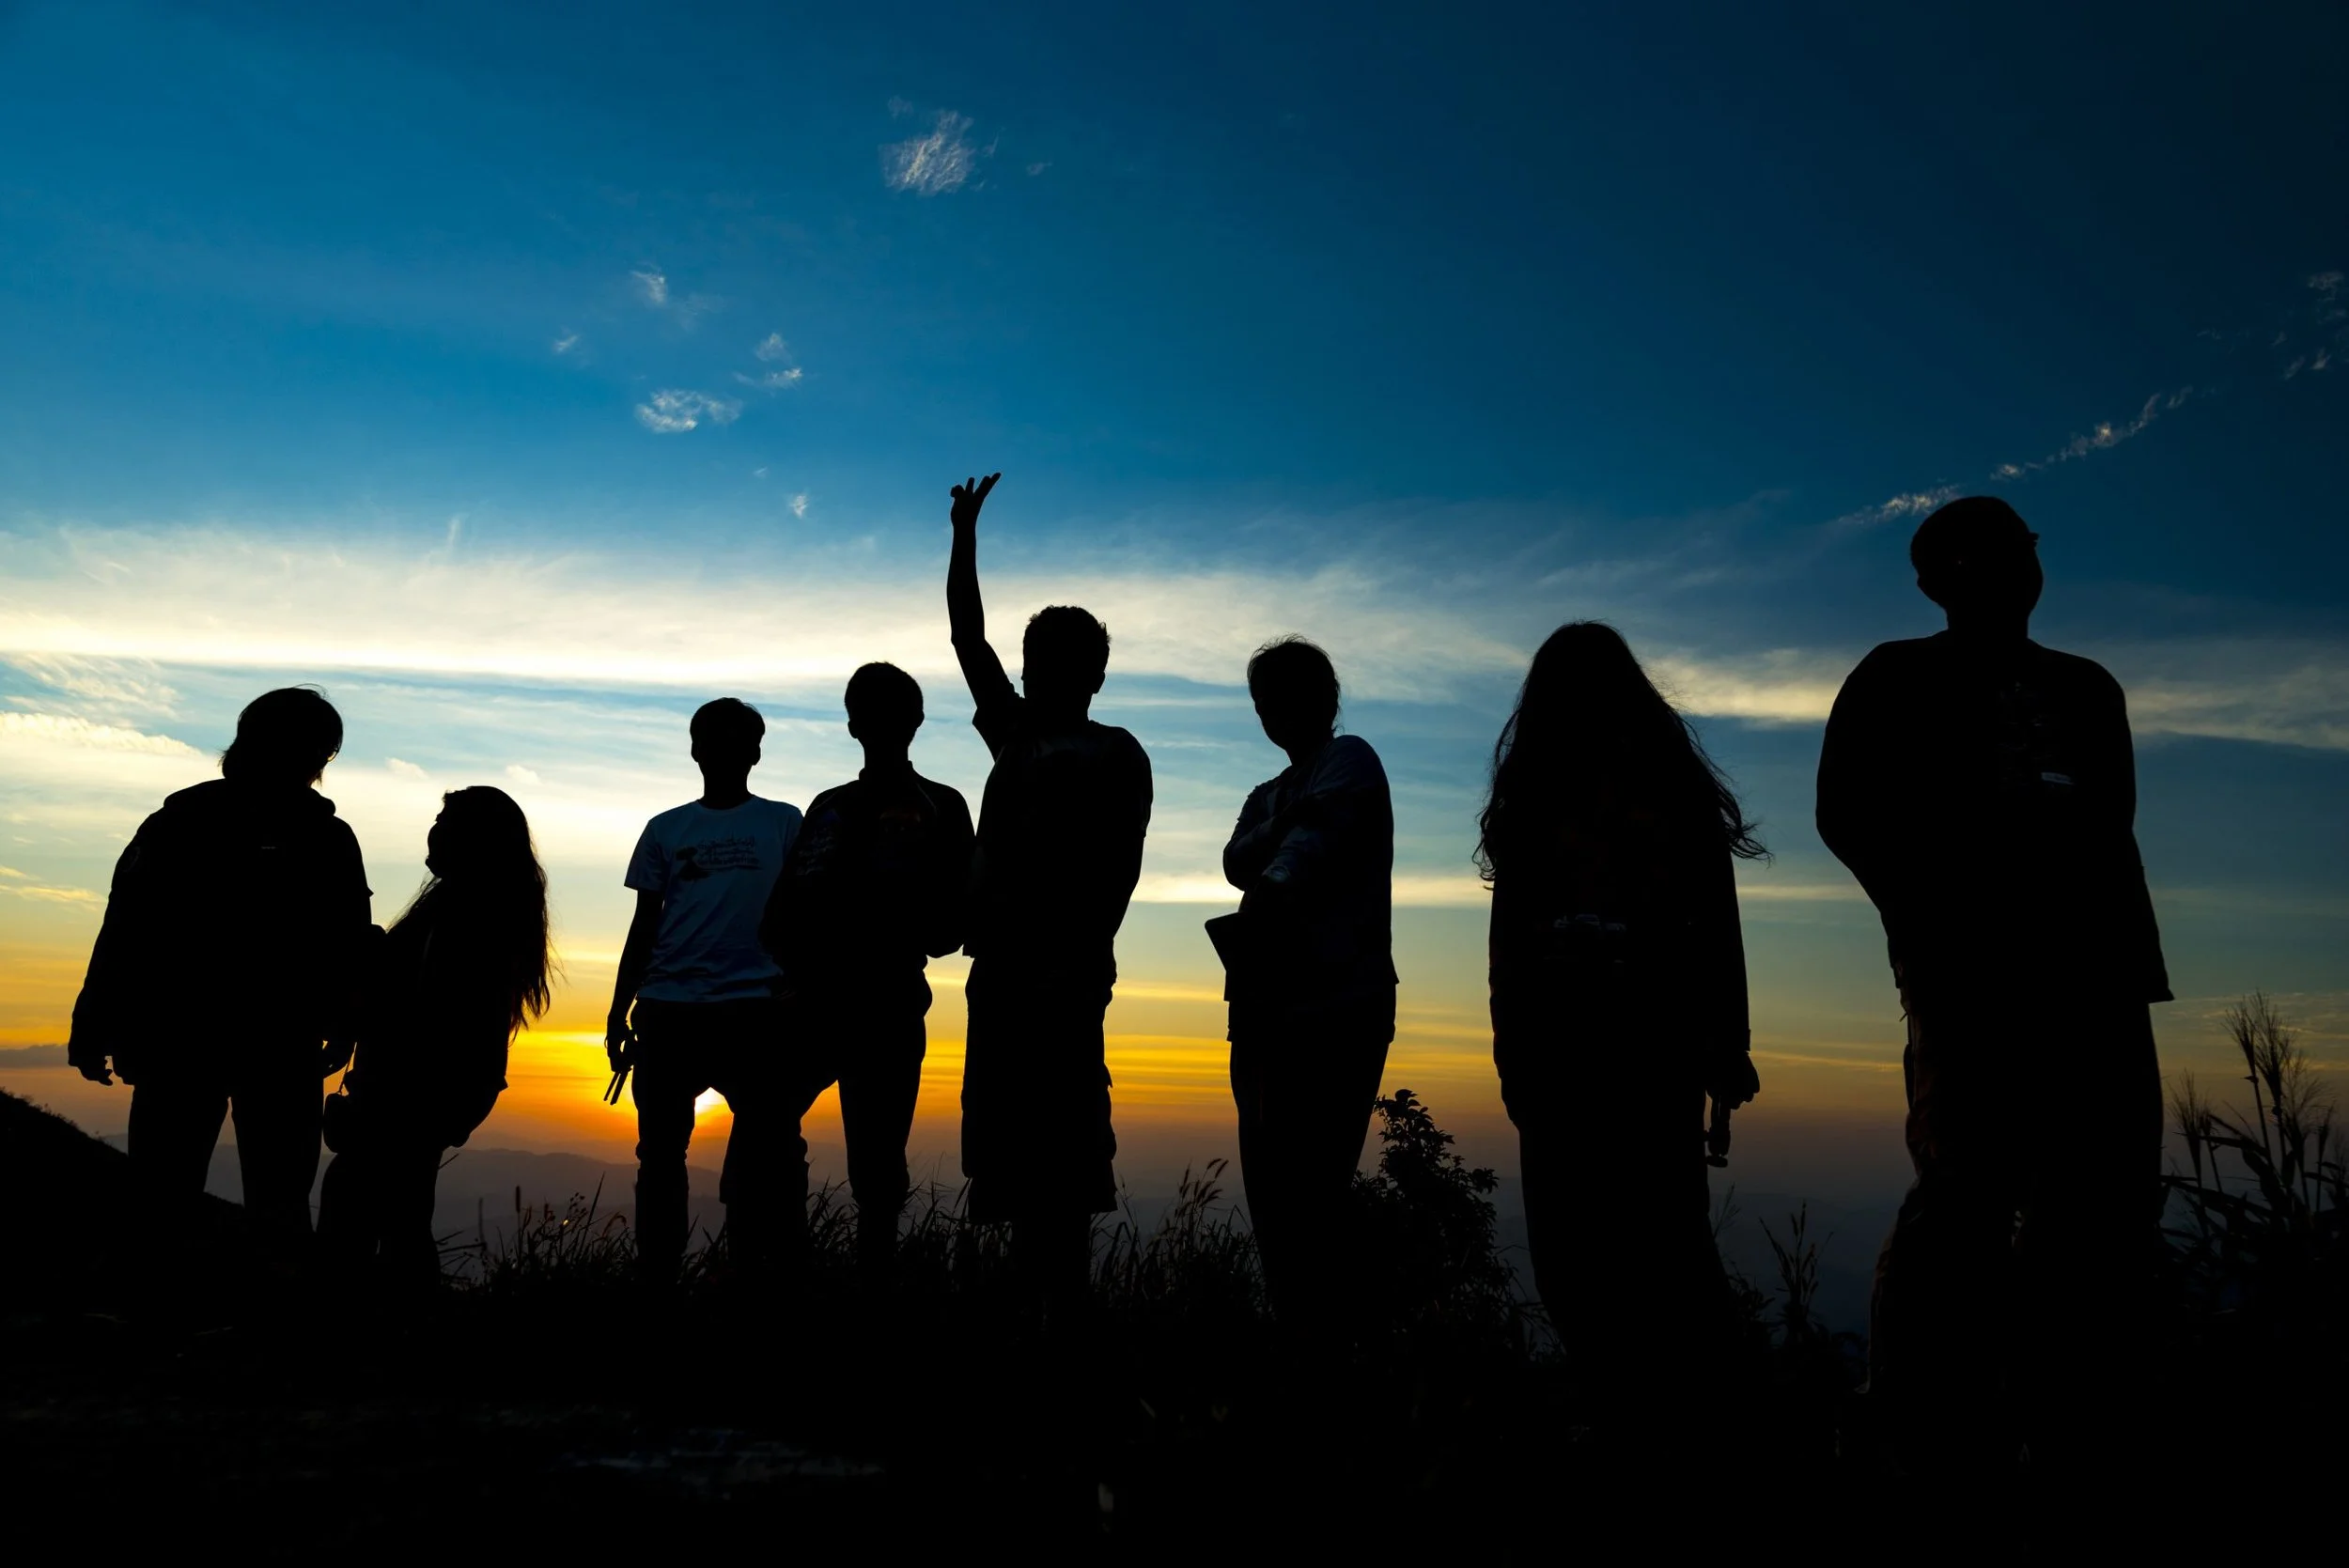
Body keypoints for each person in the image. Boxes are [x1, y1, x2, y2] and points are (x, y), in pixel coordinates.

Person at [1817, 496, 2169, 1476]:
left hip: (2100, 980)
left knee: (2100, 1201)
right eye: (1984, 556)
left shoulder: (2088, 689)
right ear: (1936, 581)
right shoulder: (1895, 677)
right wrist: (1931, 924)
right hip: (1969, 984)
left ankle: (2069, 1414)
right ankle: (1915, 1419)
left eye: (2018, 550)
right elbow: (1846, 812)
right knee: (1963, 1194)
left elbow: (2110, 826)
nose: (2011, 568)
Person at [1477, 623, 1762, 1424]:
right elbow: (1718, 930)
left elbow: (1508, 956)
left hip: (1609, 1053)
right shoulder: (1605, 798)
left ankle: (1667, 1423)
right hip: (1610, 1054)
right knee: (1647, 1250)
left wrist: (1724, 1045)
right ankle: (1673, 1423)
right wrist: (1725, 1043)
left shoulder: (1572, 799)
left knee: (1603, 1255)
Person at [944, 473, 1153, 1308]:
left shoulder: (1114, 753)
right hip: (1000, 973)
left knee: (1063, 1156)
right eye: (1032, 663)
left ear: (1093, 675)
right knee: (1008, 1155)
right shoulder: (1019, 736)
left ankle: (1060, 1317)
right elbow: (969, 640)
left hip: (1062, 975)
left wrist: (1075, 953)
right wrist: (964, 532)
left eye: (1055, 664)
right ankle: (1037, 1316)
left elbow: (1118, 872)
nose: (1034, 676)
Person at [67, 687, 373, 1242]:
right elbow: (348, 944)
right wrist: (343, 1026)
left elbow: (125, 930)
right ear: (317, 755)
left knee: (165, 1193)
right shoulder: (326, 839)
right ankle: (258, 1319)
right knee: (275, 1201)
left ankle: (163, 1315)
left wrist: (94, 1020)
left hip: (182, 1038)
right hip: (274, 1043)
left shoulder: (178, 824)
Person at [759, 662, 974, 1285]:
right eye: (867, 711)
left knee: (877, 1169)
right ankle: (786, 1276)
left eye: (886, 710)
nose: (876, 724)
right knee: (776, 1127)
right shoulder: (828, 807)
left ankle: (863, 1299)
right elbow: (779, 914)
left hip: (886, 1003)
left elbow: (951, 925)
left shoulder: (939, 807)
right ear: (854, 723)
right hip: (821, 1002)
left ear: (913, 721)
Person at [1217, 636, 1395, 1322]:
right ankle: (1298, 1333)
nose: (1271, 714)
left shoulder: (1351, 759)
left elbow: (1308, 840)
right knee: (1269, 1182)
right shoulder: (1268, 791)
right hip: (1264, 1007)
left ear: (1324, 698)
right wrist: (1281, 830)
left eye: (1283, 698)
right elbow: (1235, 859)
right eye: (1262, 703)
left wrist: (1278, 875)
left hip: (1336, 1005)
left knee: (1315, 1186)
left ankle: (1322, 1341)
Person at [316, 786, 553, 1285]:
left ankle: (355, 1333)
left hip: (415, 1087)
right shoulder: (476, 907)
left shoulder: (468, 914)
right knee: (400, 1212)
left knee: (363, 1209)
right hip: (434, 1088)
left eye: (445, 821)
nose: (435, 831)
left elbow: (431, 1006)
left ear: (473, 838)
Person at [607, 699, 804, 1287]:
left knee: (764, 1153)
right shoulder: (665, 829)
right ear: (695, 749)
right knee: (662, 1158)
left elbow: (803, 914)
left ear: (756, 752)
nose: (720, 750)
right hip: (670, 1012)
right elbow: (645, 926)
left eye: (734, 739)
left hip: (758, 1012)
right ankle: (661, 1280)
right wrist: (620, 1010)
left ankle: (751, 1275)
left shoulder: (785, 822)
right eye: (711, 739)